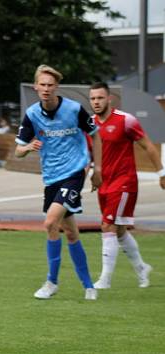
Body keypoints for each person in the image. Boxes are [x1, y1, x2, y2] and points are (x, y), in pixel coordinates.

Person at [14, 64, 102, 301]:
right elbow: (17, 151)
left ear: (57, 87)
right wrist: (28, 147)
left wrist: (97, 169)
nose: (46, 89)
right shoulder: (32, 114)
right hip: (51, 178)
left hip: (74, 173)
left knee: (50, 222)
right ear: (35, 87)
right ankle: (88, 285)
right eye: (42, 84)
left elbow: (95, 134)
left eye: (50, 85)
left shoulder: (74, 109)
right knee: (71, 233)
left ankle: (52, 282)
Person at [88, 82, 165, 289]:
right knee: (119, 229)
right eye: (93, 98)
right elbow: (91, 155)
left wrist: (161, 172)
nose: (96, 102)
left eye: (100, 98)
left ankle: (105, 279)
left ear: (109, 99)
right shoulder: (90, 124)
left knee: (107, 225)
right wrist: (92, 173)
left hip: (124, 182)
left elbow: (148, 146)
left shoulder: (126, 120)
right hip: (105, 184)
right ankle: (141, 268)